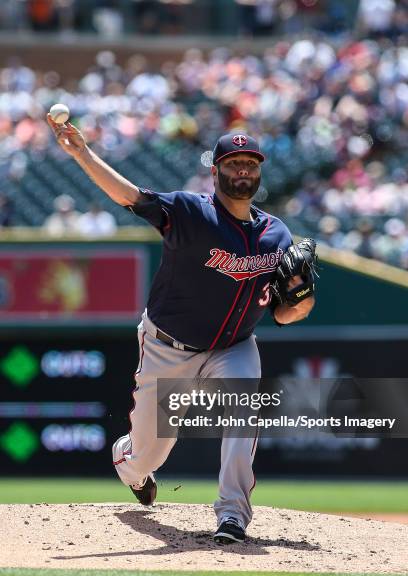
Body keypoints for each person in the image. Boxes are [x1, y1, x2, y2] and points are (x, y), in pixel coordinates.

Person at [47, 114, 315, 544]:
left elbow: (286, 313)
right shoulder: (190, 211)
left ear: (259, 171)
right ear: (216, 171)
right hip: (168, 347)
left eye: (250, 163)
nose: (242, 170)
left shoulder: (276, 235)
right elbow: (130, 197)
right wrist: (83, 153)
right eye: (233, 163)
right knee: (151, 452)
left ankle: (232, 516)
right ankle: (128, 460)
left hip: (234, 347)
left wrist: (302, 300)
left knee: (246, 408)